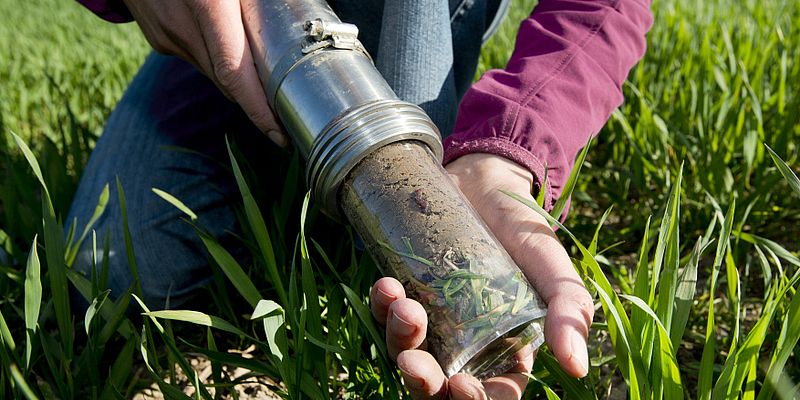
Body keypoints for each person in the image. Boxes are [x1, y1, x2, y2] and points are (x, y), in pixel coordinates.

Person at [72, 0, 652, 398]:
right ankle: (290, 125)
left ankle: (369, 171)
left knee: (390, 259)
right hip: (258, 14)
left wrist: (504, 151)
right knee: (109, 269)